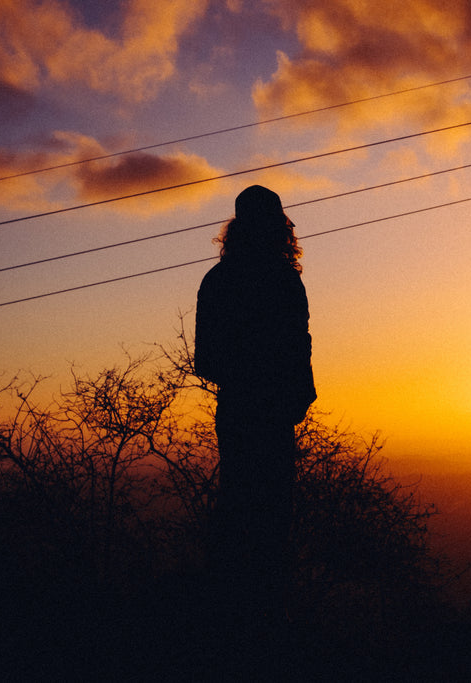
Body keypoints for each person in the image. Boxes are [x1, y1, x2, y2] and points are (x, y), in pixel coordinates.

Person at [194, 184, 316, 619]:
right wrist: (293, 393)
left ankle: (240, 616)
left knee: (242, 510)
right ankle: (258, 621)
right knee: (269, 518)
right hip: (269, 413)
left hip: (246, 411)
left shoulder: (219, 281)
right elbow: (298, 345)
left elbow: (206, 360)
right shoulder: (284, 280)